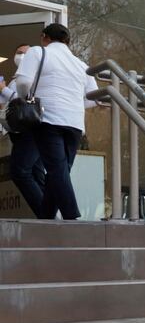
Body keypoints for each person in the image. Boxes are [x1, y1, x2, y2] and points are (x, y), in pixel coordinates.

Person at [14, 24, 98, 220]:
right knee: (58, 170)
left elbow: (23, 82)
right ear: (67, 41)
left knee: (56, 170)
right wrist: (73, 105)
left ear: (44, 37)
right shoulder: (81, 64)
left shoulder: (37, 52)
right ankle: (46, 218)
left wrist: (27, 100)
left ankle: (71, 216)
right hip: (75, 123)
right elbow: (94, 98)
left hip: (48, 119)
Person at [1, 43, 45, 217]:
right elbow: (12, 107)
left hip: (31, 129)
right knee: (36, 172)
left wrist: (3, 89)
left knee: (21, 171)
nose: (21, 56)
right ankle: (49, 215)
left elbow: (25, 103)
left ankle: (46, 214)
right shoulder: (15, 79)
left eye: (25, 53)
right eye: (18, 52)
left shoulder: (33, 78)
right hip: (18, 131)